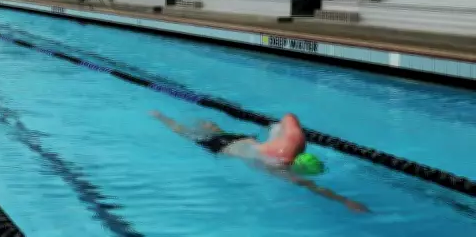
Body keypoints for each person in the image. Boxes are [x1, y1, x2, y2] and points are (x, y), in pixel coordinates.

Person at [151, 110, 370, 213]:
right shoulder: (277, 169)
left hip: (244, 145)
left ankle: (275, 143)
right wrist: (344, 201)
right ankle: (162, 118)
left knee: (245, 145)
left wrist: (346, 201)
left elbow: (312, 185)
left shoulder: (280, 162)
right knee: (189, 132)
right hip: (239, 147)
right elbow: (312, 187)